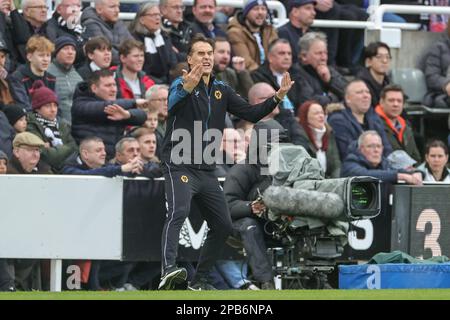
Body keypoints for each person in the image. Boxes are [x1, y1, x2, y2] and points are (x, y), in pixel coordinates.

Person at [158, 34, 294, 290]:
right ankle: (168, 269)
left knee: (223, 225)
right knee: (179, 212)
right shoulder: (181, 83)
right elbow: (174, 102)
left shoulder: (222, 90)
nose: (207, 57)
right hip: (179, 163)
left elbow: (251, 113)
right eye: (200, 53)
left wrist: (277, 97)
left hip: (206, 169)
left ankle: (198, 280)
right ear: (189, 59)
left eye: (209, 53)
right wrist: (187, 87)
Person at [71, 69, 148, 160]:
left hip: (115, 160)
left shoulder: (119, 104)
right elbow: (104, 107)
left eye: (114, 85)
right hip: (90, 161)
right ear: (94, 88)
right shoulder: (80, 104)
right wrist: (134, 102)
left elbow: (143, 116)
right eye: (108, 86)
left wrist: (127, 114)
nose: (113, 89)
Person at [328, 80, 393, 161]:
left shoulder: (375, 118)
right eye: (359, 92)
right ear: (348, 98)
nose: (366, 95)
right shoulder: (338, 120)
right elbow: (348, 153)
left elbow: (387, 148)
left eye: (367, 92)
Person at [26, 80, 77, 172]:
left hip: (67, 169)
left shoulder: (62, 124)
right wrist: (67, 148)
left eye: (55, 106)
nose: (53, 110)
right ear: (37, 109)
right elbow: (46, 155)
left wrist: (53, 149)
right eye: (48, 106)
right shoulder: (31, 125)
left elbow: (74, 148)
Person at [341, 130, 423, 185]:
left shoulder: (384, 164)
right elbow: (365, 175)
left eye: (379, 146)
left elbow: (398, 171)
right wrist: (400, 176)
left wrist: (415, 173)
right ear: (361, 149)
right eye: (371, 146)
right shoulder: (350, 163)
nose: (376, 150)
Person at [129, 2, 178, 84]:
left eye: (159, 15)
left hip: (168, 82)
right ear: (142, 20)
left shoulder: (164, 37)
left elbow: (173, 64)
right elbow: (141, 69)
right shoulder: (134, 39)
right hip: (146, 83)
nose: (157, 18)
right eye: (153, 15)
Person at [296, 32, 347, 107]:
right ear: (304, 56)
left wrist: (330, 80)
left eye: (325, 53)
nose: (323, 58)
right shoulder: (296, 73)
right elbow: (310, 101)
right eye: (319, 53)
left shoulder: (329, 71)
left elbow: (350, 93)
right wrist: (335, 97)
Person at [227, 0, 278, 71]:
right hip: (251, 76)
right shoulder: (235, 32)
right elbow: (247, 63)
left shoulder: (270, 30)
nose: (260, 12)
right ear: (246, 12)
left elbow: (277, 57)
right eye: (256, 9)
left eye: (263, 9)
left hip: (270, 75)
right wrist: (265, 76)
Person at [375, 85, 421, 163]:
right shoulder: (373, 124)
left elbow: (416, 158)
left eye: (399, 101)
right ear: (381, 102)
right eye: (391, 100)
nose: (396, 104)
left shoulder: (406, 127)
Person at [11, 35, 56, 111]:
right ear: (29, 57)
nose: (46, 59)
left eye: (48, 55)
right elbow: (24, 106)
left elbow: (56, 106)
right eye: (41, 55)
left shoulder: (51, 79)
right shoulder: (17, 77)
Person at [81, 0, 132, 65]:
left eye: (118, 6)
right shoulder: (90, 25)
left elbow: (133, 47)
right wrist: (129, 59)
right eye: (112, 7)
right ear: (99, 9)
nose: (117, 10)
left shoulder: (119, 23)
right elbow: (106, 54)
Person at [297, 100, 341, 178]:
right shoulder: (300, 137)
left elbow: (336, 165)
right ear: (305, 117)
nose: (321, 116)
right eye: (316, 113)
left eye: (322, 112)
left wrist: (334, 182)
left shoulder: (329, 134)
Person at [47, 36, 83, 124]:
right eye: (66, 48)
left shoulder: (78, 77)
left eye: (73, 49)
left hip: (79, 124)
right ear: (56, 52)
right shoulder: (47, 73)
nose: (70, 52)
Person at [45, 0, 86, 67]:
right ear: (59, 9)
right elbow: (54, 54)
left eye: (78, 6)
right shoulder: (50, 28)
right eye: (70, 6)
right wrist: (84, 51)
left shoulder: (83, 25)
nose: (75, 9)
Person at [357, 42, 392, 108]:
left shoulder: (388, 83)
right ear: (368, 62)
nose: (384, 61)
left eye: (387, 57)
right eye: (379, 57)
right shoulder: (361, 85)